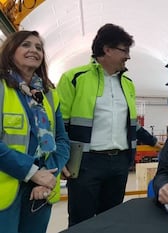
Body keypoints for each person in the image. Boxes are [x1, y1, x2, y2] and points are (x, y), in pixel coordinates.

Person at [57, 23, 137, 226]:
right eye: (124, 50)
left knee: (111, 221)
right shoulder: (74, 78)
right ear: (107, 49)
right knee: (81, 222)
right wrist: (63, 158)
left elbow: (130, 124)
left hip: (119, 163)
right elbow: (59, 123)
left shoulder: (128, 84)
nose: (128, 56)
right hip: (85, 164)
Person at [0, 30, 70, 233]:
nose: (34, 50)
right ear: (10, 50)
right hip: (6, 190)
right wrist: (32, 173)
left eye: (39, 47)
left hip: (41, 190)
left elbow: (62, 141)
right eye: (26, 45)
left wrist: (47, 176)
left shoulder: (48, 94)